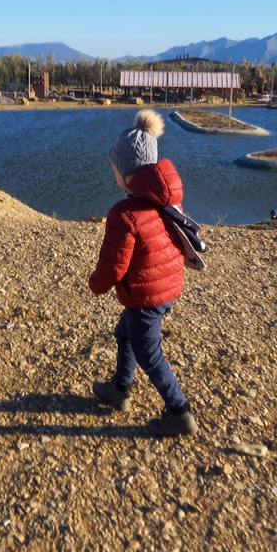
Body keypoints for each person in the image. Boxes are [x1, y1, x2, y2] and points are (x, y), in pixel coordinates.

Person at [89, 109, 198, 437]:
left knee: (150, 355)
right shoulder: (164, 201)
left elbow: (114, 264)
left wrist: (97, 284)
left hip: (146, 297)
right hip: (165, 288)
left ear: (124, 173)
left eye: (115, 170)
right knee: (125, 336)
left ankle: (179, 411)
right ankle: (120, 389)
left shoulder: (124, 214)